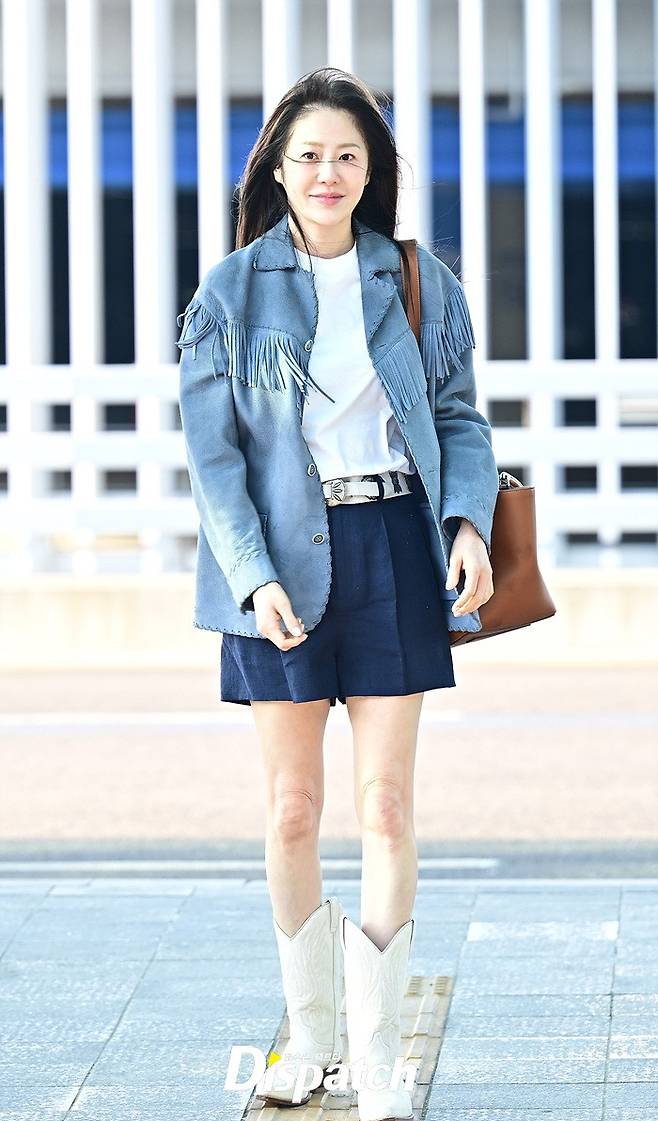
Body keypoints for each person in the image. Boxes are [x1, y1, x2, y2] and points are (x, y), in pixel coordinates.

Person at [176, 67, 498, 1120]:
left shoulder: (413, 278)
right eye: (309, 154)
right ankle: (310, 1042)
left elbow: (458, 414)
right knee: (291, 812)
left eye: (347, 155)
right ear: (277, 167)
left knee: (387, 806)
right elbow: (214, 459)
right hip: (275, 563)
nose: (328, 172)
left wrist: (466, 521)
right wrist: (252, 575)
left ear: (372, 171)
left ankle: (378, 1058)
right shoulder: (230, 292)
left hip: (393, 546)